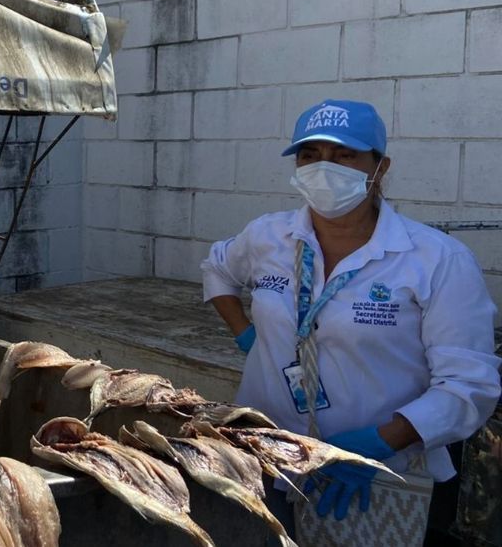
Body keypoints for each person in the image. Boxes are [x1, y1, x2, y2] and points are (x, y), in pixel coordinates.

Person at [201, 100, 501, 527]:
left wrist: (381, 442)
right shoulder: (269, 235)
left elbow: (470, 385)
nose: (325, 168)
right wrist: (244, 333)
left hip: (377, 476)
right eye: (310, 155)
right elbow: (217, 268)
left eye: (345, 156)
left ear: (380, 167)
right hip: (266, 458)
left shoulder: (436, 259)